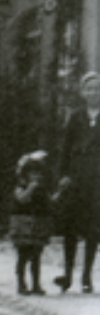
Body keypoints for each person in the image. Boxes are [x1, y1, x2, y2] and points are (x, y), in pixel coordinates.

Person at [55, 71, 100, 293]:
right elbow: (65, 148)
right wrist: (63, 174)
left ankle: (87, 276)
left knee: (93, 228)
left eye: (97, 89)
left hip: (97, 180)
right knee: (70, 227)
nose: (93, 93)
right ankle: (68, 274)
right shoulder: (75, 117)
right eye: (89, 89)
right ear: (83, 92)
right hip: (76, 177)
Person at [11, 150, 52, 296]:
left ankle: (36, 284)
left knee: (36, 256)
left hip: (38, 223)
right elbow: (22, 199)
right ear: (26, 174)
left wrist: (60, 192)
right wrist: (31, 188)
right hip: (23, 224)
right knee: (23, 255)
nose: (37, 177)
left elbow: (50, 201)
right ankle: (21, 283)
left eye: (39, 174)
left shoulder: (42, 189)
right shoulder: (20, 187)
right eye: (33, 173)